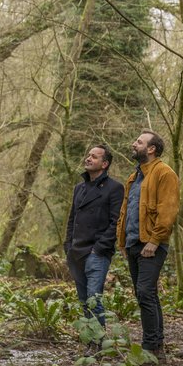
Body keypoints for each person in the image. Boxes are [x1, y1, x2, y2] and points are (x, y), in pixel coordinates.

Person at [116, 130, 179, 363]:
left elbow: (168, 210)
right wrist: (122, 241)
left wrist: (154, 240)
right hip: (134, 243)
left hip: (151, 244)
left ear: (151, 149)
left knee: (144, 293)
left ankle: (150, 348)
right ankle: (157, 348)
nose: (134, 144)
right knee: (145, 294)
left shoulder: (164, 173)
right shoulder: (134, 177)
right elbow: (126, 211)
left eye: (139, 142)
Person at [64, 144, 124, 339]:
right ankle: (90, 340)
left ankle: (99, 341)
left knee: (93, 298)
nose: (88, 159)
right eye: (88, 155)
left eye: (94, 157)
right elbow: (72, 219)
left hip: (96, 253)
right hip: (76, 252)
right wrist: (68, 246)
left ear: (104, 164)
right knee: (83, 300)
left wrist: (98, 249)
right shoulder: (78, 188)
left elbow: (116, 222)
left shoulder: (115, 188)